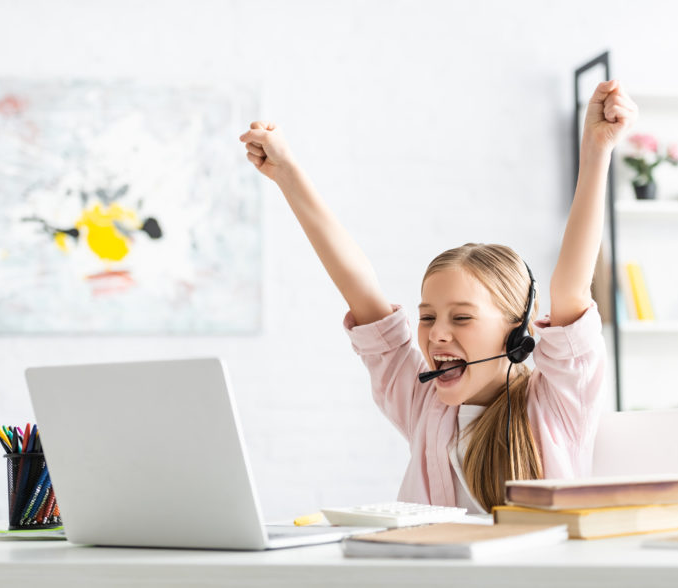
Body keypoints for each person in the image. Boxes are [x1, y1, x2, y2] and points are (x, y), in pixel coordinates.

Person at [239, 80, 638, 513]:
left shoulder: (558, 404)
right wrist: (287, 174)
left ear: (517, 331)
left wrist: (597, 152)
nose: (437, 336)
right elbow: (356, 282)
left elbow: (571, 288)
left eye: (462, 318)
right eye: (427, 317)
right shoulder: (423, 405)